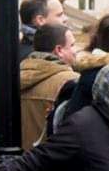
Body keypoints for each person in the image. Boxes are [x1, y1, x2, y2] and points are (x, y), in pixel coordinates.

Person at [18, 22, 75, 150]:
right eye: (72, 45)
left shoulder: (16, 76)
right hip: (52, 162)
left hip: (20, 164)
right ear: (59, 50)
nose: (75, 51)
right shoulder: (70, 81)